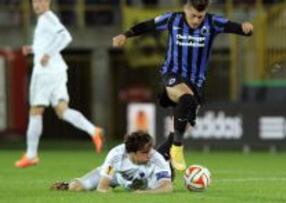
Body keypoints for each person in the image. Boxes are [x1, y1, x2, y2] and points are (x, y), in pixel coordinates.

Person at [112, 0, 253, 171]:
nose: (195, 21)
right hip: (171, 75)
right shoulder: (172, 19)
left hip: (196, 83)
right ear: (186, 8)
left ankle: (150, 169)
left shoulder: (213, 22)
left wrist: (246, 28)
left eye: (200, 17)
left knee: (174, 132)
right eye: (193, 15)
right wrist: (125, 35)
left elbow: (239, 29)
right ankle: (178, 147)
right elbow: (147, 25)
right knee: (186, 99)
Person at [15, 0, 104, 168]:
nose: (37, 4)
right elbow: (47, 42)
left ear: (48, 2)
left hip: (45, 72)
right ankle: (93, 130)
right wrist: (34, 49)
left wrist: (47, 54)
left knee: (36, 110)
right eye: (34, 1)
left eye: (41, 1)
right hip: (58, 70)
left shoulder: (48, 17)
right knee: (62, 110)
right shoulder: (44, 19)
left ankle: (31, 154)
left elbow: (65, 36)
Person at [51, 131, 173, 194]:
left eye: (150, 149)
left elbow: (167, 187)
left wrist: (146, 194)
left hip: (145, 180)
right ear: (133, 152)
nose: (150, 154)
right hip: (115, 174)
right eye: (144, 152)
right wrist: (106, 190)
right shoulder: (116, 156)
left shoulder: (157, 159)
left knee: (159, 183)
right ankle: (67, 184)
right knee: (75, 188)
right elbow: (102, 187)